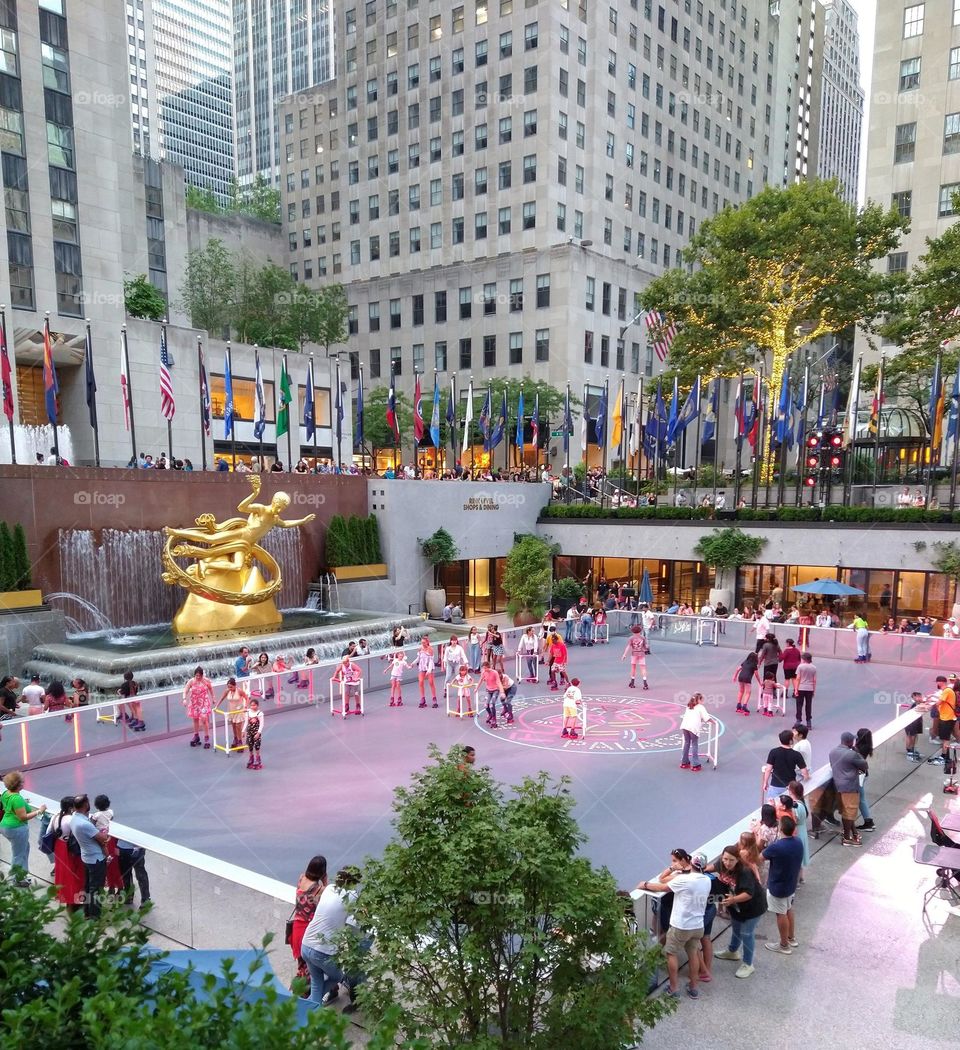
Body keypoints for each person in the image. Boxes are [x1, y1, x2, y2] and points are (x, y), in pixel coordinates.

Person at [639, 848, 711, 999]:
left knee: (670, 953)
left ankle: (673, 988)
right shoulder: (706, 880)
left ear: (691, 862)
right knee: (693, 954)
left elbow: (661, 886)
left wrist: (645, 884)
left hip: (681, 925)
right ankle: (693, 987)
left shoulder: (684, 880)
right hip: (698, 925)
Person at [300, 865, 368, 1011]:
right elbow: (355, 921)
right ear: (352, 882)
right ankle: (310, 1007)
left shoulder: (329, 888)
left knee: (317, 982)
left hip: (306, 945)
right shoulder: (353, 897)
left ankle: (309, 1009)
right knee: (338, 976)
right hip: (322, 951)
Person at [713, 844, 767, 979]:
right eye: (725, 859)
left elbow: (749, 894)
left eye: (731, 860)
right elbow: (710, 868)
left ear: (738, 859)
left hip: (753, 907)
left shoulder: (745, 872)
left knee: (746, 933)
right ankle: (732, 951)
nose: (727, 863)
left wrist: (733, 900)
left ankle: (748, 964)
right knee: (736, 929)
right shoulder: (722, 864)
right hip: (736, 906)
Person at [763, 815, 804, 955]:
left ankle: (784, 945)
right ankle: (791, 938)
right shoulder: (798, 842)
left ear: (780, 829)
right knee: (788, 909)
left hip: (777, 886)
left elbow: (758, 858)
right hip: (791, 884)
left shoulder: (776, 847)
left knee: (780, 913)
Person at [291, 855, 329, 996]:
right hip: (309, 930)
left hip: (296, 928)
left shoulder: (301, 879)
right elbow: (325, 903)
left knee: (302, 964)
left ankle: (300, 988)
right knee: (313, 966)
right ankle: (305, 994)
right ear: (322, 871)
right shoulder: (319, 890)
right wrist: (325, 882)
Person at [1, 771, 47, 885]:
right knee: (18, 854)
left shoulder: (6, 794)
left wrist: (22, 803)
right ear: (18, 784)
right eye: (22, 781)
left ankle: (22, 874)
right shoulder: (17, 799)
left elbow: (12, 806)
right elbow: (23, 817)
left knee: (25, 848)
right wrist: (39, 811)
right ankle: (17, 879)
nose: (24, 783)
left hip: (5, 826)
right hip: (16, 828)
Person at [70, 793, 109, 918]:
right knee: (96, 889)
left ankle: (87, 912)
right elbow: (102, 838)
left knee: (88, 887)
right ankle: (95, 916)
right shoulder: (85, 825)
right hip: (96, 859)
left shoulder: (74, 818)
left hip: (86, 857)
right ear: (85, 805)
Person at [828, 731, 869, 845]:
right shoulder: (852, 754)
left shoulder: (832, 752)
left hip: (838, 785)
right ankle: (847, 838)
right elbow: (865, 765)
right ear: (850, 742)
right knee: (849, 813)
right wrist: (857, 752)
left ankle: (853, 833)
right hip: (850, 787)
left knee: (846, 811)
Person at [50, 796, 84, 910]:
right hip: (71, 849)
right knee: (75, 874)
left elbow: (48, 832)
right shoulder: (72, 820)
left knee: (63, 873)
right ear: (71, 808)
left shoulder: (56, 817)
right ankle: (75, 899)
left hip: (59, 846)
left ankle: (66, 896)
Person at [763, 728, 809, 801]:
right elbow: (805, 772)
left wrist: (765, 782)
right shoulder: (796, 754)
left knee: (773, 805)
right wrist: (806, 780)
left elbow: (768, 769)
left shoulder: (773, 752)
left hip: (775, 785)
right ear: (791, 741)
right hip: (790, 787)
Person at [116, 827, 151, 910]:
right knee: (126, 874)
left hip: (137, 848)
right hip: (123, 848)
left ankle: (145, 899)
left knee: (140, 874)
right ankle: (129, 895)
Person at [182, 666, 215, 748]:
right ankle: (196, 735)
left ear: (202, 675)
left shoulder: (206, 681)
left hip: (204, 702)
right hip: (194, 702)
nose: (198, 677)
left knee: (204, 719)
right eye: (196, 675)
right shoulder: (191, 681)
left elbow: (211, 689)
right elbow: (185, 690)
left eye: (199, 676)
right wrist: (184, 698)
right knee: (195, 719)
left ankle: (207, 737)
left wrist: (213, 698)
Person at [679, 693, 712, 771]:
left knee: (687, 743)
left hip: (685, 726)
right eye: (702, 700)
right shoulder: (700, 707)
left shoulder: (689, 706)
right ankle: (695, 764)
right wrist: (714, 722)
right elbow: (706, 718)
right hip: (693, 728)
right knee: (694, 744)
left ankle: (684, 762)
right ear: (699, 700)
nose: (703, 702)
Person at [786, 782, 810, 879]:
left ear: (791, 791)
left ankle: (795, 879)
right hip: (802, 831)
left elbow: (792, 821)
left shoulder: (795, 806)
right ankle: (801, 877)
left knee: (795, 857)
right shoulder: (802, 803)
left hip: (796, 833)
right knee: (800, 856)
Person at [854, 728, 875, 833]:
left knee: (860, 799)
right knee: (861, 798)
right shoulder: (867, 746)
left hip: (859, 775)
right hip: (863, 774)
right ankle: (868, 821)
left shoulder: (860, 749)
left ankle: (868, 822)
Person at [220, 678, 249, 750]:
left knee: (238, 726)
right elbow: (221, 698)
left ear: (235, 685)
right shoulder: (227, 691)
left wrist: (245, 706)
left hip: (239, 710)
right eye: (228, 687)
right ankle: (235, 739)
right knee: (233, 726)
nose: (229, 688)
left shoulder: (239, 691)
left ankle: (240, 741)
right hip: (231, 711)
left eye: (231, 687)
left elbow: (246, 698)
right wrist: (216, 706)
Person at [621, 625, 649, 690]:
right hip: (641, 654)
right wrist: (646, 648)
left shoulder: (631, 638)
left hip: (634, 654)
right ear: (640, 631)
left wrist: (624, 655)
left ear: (633, 632)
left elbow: (628, 646)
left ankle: (632, 682)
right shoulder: (643, 638)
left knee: (633, 668)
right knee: (643, 668)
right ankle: (645, 683)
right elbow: (645, 647)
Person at [794, 652, 817, 728]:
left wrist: (796, 689)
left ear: (804, 659)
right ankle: (808, 722)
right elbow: (814, 680)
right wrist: (813, 690)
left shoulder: (800, 667)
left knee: (799, 704)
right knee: (808, 705)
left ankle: (798, 720)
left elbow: (798, 678)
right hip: (809, 688)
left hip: (801, 687)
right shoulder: (814, 668)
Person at [416, 637, 438, 708]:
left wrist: (429, 670)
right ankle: (422, 698)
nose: (423, 644)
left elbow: (431, 661)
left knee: (431, 682)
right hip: (422, 667)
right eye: (422, 642)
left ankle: (434, 698)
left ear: (427, 642)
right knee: (421, 682)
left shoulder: (430, 649)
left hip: (429, 667)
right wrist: (412, 664)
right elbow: (418, 658)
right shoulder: (420, 649)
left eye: (424, 642)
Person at [243, 698, 265, 769]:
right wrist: (243, 731)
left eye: (254, 705)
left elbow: (261, 724)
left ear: (257, 705)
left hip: (256, 732)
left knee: (257, 746)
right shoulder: (248, 712)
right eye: (251, 705)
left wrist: (258, 733)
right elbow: (246, 722)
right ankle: (251, 758)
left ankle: (258, 759)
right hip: (249, 732)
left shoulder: (260, 714)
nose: (253, 707)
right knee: (250, 745)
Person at [904, 690, 925, 760]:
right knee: (910, 736)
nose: (920, 698)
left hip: (917, 721)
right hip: (910, 722)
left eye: (920, 696)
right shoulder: (913, 704)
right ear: (914, 697)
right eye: (918, 696)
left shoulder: (919, 702)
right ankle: (909, 751)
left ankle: (912, 749)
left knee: (915, 736)